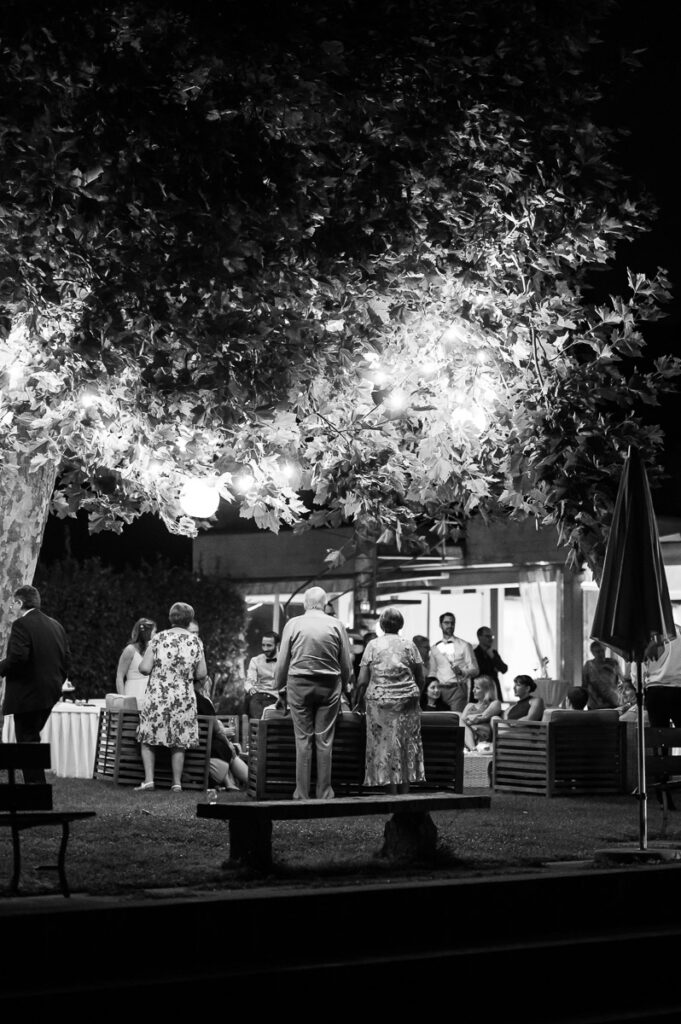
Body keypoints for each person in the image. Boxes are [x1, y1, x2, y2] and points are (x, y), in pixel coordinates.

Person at [273, 586, 353, 800]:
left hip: (299, 683)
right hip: (329, 685)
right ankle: (324, 791)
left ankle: (301, 793)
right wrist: (344, 685)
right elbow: (345, 662)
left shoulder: (293, 624)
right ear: (325, 603)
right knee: (325, 739)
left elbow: (282, 661)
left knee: (303, 739)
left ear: (306, 603)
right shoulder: (336, 625)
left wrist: (278, 685)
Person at [0, 585, 70, 783]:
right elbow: (67, 661)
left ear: (21, 603)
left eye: (13, 603)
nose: (11, 608)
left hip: (28, 694)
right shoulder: (56, 625)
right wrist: (56, 685)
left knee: (27, 741)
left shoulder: (22, 624)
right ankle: (36, 788)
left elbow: (18, 658)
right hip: (49, 694)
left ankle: (36, 790)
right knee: (31, 739)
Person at [135, 601, 207, 792]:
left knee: (148, 736)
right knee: (179, 740)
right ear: (189, 620)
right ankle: (176, 783)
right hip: (183, 696)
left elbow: (144, 668)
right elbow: (201, 674)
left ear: (170, 618)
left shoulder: (159, 638)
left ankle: (149, 780)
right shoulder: (195, 641)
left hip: (158, 694)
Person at [354, 606, 425, 794]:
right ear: (400, 624)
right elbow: (421, 677)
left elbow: (362, 680)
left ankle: (390, 791)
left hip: (379, 703)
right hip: (406, 702)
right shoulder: (410, 645)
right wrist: (416, 695)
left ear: (382, 624)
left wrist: (357, 700)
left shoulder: (373, 645)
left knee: (384, 746)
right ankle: (405, 791)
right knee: (406, 744)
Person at [194, 676, 248, 790]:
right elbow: (217, 731)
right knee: (229, 749)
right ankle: (254, 782)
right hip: (210, 763)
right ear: (201, 681)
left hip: (188, 758)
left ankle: (231, 783)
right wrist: (228, 744)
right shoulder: (203, 702)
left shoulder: (178, 700)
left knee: (227, 748)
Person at [427, 612, 478, 713]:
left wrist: (462, 672)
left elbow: (475, 670)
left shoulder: (464, 645)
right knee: (440, 721)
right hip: (439, 690)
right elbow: (432, 672)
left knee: (456, 720)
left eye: (452, 623)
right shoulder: (434, 648)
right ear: (440, 625)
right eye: (446, 623)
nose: (450, 625)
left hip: (457, 689)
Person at [643, 628, 681, 727]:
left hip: (654, 691)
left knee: (659, 736)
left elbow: (637, 668)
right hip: (677, 689)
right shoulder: (679, 632)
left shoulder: (647, 635)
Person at [115, 618, 156, 704]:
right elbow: (119, 676)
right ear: (147, 633)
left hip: (149, 695)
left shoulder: (152, 649)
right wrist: (123, 699)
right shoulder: (130, 650)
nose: (155, 635)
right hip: (133, 692)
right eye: (154, 632)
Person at [460, 675, 502, 750]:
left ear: (487, 690)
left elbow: (483, 716)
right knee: (459, 721)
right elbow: (462, 724)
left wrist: (473, 719)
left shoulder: (495, 703)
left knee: (461, 722)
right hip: (468, 737)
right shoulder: (469, 705)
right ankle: (473, 749)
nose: (473, 690)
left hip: (483, 737)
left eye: (477, 688)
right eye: (474, 687)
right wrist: (470, 721)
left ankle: (472, 749)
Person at [244, 631, 280, 719]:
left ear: (277, 645)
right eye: (263, 645)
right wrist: (251, 688)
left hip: (279, 696)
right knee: (252, 700)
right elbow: (249, 681)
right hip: (260, 695)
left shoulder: (285, 661)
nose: (265, 649)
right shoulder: (255, 660)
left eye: (269, 645)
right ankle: (260, 728)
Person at [582, 641, 621, 710]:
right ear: (593, 653)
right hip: (595, 704)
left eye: (602, 650)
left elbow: (619, 681)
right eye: (597, 651)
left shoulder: (613, 663)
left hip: (612, 702)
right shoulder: (589, 665)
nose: (601, 653)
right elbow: (584, 686)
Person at [473, 627, 508, 702]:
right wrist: (493, 668)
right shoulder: (473, 653)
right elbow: (477, 671)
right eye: (487, 636)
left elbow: (504, 669)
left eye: (492, 636)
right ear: (479, 637)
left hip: (494, 690)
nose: (491, 639)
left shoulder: (493, 653)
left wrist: (492, 656)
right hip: (480, 690)